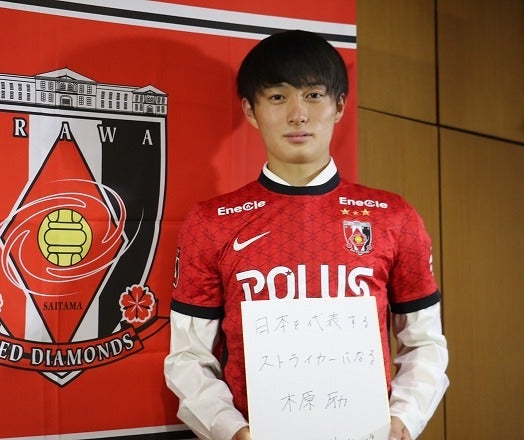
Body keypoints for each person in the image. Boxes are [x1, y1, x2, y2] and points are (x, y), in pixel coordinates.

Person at [164, 30, 449, 440]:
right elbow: (188, 357)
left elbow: (424, 343)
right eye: (277, 97)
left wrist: (403, 419)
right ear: (250, 110)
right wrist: (233, 431)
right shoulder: (211, 222)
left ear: (339, 106)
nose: (297, 114)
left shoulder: (394, 217)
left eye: (314, 95)